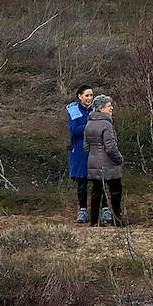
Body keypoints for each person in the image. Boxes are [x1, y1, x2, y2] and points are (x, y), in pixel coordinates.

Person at [84, 95, 126, 227]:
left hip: (93, 163)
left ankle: (94, 221)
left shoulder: (89, 124)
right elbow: (111, 147)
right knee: (115, 190)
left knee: (96, 191)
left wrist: (93, 156)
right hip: (108, 165)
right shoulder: (107, 125)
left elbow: (86, 147)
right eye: (109, 106)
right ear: (101, 108)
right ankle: (117, 220)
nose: (111, 108)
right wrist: (119, 159)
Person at [66, 85, 93, 223]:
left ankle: (104, 209)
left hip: (95, 149)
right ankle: (83, 210)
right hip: (79, 150)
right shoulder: (73, 109)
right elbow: (74, 130)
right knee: (82, 181)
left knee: (99, 181)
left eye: (91, 95)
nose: (89, 98)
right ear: (79, 96)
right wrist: (91, 126)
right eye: (86, 95)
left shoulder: (97, 108)